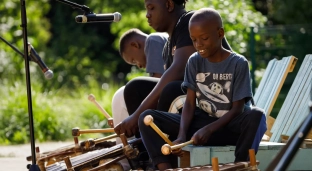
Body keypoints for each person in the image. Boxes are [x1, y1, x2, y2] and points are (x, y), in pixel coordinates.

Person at [138, 8, 267, 170]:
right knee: (147, 118)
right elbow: (190, 104)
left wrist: (209, 129)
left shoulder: (238, 63)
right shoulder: (194, 61)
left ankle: (240, 165)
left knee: (257, 115)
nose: (199, 45)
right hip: (202, 124)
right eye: (193, 40)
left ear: (220, 34)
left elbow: (237, 109)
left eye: (204, 38)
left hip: (231, 127)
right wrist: (182, 135)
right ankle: (165, 168)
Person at [114, 0, 232, 138]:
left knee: (170, 88)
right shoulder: (168, 47)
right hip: (194, 107)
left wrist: (136, 116)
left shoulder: (190, 22)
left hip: (221, 112)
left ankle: (158, 149)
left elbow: (179, 70)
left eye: (151, 8)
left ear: (169, 5)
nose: (147, 15)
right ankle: (145, 149)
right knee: (135, 87)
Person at [111, 28, 168, 170]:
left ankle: (138, 156)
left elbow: (158, 87)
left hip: (174, 94)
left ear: (135, 45)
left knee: (130, 89)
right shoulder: (163, 38)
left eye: (134, 60)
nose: (139, 65)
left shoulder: (153, 40)